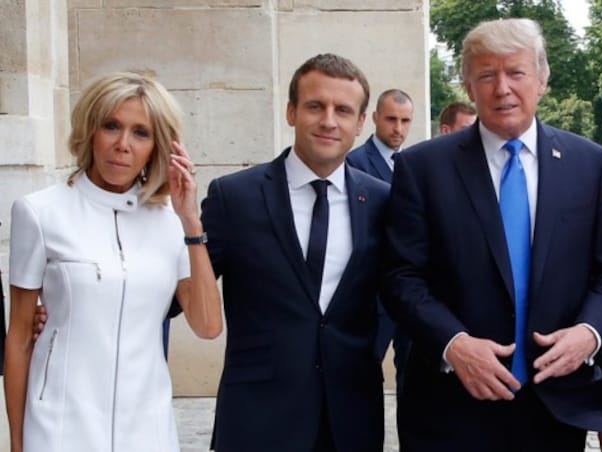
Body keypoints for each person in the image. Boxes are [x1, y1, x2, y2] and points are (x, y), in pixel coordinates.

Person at [381, 18, 602, 452]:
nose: (502, 88)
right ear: (468, 85)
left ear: (542, 79)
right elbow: (400, 275)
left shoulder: (588, 165)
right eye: (486, 75)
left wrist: (588, 333)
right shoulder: (423, 168)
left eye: (516, 72)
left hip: (553, 405)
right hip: (450, 405)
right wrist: (453, 344)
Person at [4, 71, 222, 452]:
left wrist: (191, 221)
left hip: (148, 427)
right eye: (111, 126)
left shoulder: (171, 222)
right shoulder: (39, 213)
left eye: (141, 132)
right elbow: (20, 337)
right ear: (90, 131)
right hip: (59, 425)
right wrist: (19, 442)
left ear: (159, 146)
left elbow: (207, 326)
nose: (123, 144)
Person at [203, 53, 388, 452]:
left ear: (360, 122)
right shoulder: (233, 196)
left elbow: (402, 288)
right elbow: (177, 293)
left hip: (350, 417)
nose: (328, 121)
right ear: (291, 112)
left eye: (343, 110)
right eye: (315, 106)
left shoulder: (382, 202)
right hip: (256, 416)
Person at [346, 88, 414, 395]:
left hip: (408, 291)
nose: (398, 128)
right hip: (369, 293)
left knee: (412, 374)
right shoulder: (353, 164)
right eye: (391, 119)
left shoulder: (415, 164)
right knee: (361, 373)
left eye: (405, 120)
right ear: (374, 118)